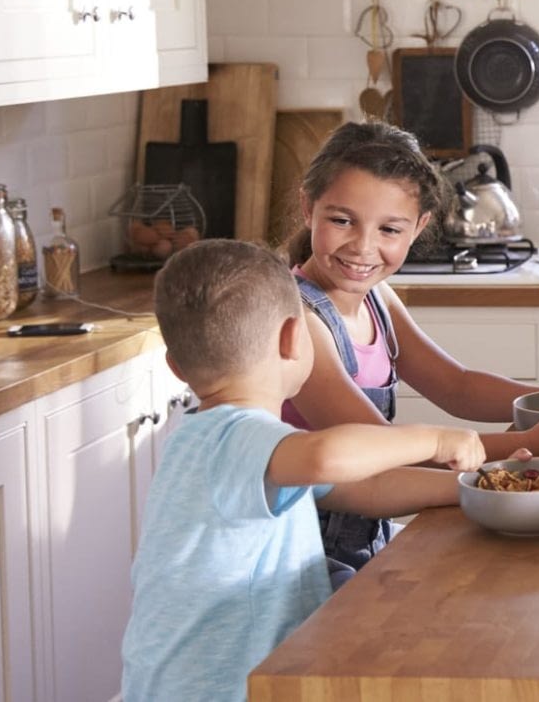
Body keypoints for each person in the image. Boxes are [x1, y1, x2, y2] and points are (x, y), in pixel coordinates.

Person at [121, 239, 488, 702]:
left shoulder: (203, 442)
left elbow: (365, 488)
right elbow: (325, 457)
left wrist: (473, 487)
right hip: (223, 688)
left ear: (175, 366)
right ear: (293, 338)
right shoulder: (241, 437)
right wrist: (434, 439)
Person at [281, 122, 539, 584]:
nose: (363, 247)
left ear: (419, 226)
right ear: (308, 207)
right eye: (342, 221)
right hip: (302, 561)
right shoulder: (297, 317)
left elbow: (457, 385)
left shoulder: (378, 299)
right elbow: (382, 446)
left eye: (389, 228)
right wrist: (535, 445)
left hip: (366, 542)